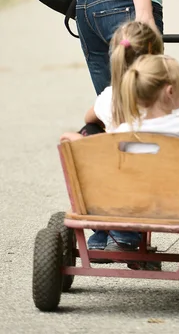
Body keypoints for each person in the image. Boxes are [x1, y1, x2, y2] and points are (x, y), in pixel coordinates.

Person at [61, 54, 179, 256]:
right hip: (175, 203)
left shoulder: (124, 130)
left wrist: (74, 139)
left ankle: (112, 236)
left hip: (126, 203)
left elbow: (95, 147)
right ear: (170, 91)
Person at [62, 20, 164, 253]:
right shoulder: (167, 98)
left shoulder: (110, 97)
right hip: (160, 182)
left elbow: (90, 117)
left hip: (118, 178)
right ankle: (120, 235)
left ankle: (105, 231)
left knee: (90, 133)